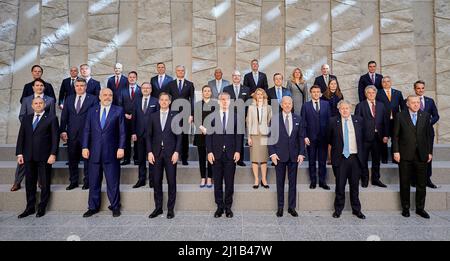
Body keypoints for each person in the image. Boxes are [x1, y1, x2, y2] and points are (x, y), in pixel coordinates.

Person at [82, 88, 126, 218]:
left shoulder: (118, 110)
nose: (108, 97)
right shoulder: (91, 111)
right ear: (100, 96)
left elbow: (122, 132)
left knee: (112, 182)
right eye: (105, 95)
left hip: (112, 152)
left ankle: (115, 206)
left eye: (110, 95)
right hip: (94, 152)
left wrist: (121, 147)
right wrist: (85, 147)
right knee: (94, 181)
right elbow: (86, 130)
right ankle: (93, 207)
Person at [16, 97, 59, 218]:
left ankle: (42, 207)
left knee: (45, 183)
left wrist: (53, 154)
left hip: (45, 157)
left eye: (40, 103)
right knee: (29, 183)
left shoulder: (51, 118)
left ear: (44, 105)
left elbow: (55, 138)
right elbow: (21, 137)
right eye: (36, 103)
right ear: (32, 106)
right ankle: (30, 207)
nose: (38, 105)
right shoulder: (26, 118)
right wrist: (19, 153)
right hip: (28, 156)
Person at [11, 79, 56, 192]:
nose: (39, 87)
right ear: (33, 87)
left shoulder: (50, 100)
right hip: (28, 133)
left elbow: (51, 117)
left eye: (41, 85)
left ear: (44, 87)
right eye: (37, 85)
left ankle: (41, 181)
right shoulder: (26, 99)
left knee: (41, 162)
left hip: (42, 136)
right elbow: (22, 115)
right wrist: (29, 128)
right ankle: (17, 181)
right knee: (24, 160)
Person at [393, 95, 433, 219]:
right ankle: (405, 208)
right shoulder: (400, 116)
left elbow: (428, 136)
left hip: (421, 154)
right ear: (407, 104)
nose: (416, 105)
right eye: (413, 102)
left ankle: (420, 208)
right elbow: (395, 136)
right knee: (404, 183)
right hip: (405, 154)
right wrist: (396, 151)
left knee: (421, 183)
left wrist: (429, 152)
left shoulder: (425, 116)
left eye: (417, 102)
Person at [328, 100, 366, 219]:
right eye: (342, 108)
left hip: (355, 158)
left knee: (354, 186)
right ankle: (338, 209)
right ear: (339, 110)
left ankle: (356, 210)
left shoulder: (359, 120)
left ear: (351, 109)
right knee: (340, 185)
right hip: (340, 158)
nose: (344, 110)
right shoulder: (333, 121)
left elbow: (363, 138)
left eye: (347, 108)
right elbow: (328, 139)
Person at [207, 92, 243, 218]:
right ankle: (219, 207)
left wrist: (238, 151)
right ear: (218, 101)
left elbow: (239, 136)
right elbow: (209, 136)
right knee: (217, 183)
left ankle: (228, 207)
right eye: (222, 99)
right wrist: (209, 152)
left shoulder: (236, 117)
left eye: (226, 99)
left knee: (229, 182)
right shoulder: (212, 117)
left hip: (230, 154)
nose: (224, 101)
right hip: (215, 154)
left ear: (230, 101)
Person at [269, 96, 305, 217]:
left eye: (290, 103)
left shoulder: (298, 118)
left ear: (292, 104)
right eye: (285, 103)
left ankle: (291, 207)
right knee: (280, 183)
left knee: (293, 183)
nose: (288, 105)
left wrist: (301, 153)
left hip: (294, 156)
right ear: (281, 105)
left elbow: (301, 137)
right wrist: (272, 153)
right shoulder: (274, 119)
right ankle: (280, 207)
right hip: (279, 156)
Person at [147, 92, 181, 219]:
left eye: (166, 100)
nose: (164, 102)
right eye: (162, 99)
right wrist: (149, 152)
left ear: (170, 102)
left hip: (171, 154)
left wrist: (177, 152)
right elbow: (148, 136)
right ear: (159, 101)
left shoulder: (175, 116)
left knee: (171, 182)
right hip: (155, 154)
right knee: (156, 182)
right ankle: (158, 208)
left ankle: (170, 209)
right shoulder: (153, 116)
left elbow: (179, 137)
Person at [60, 78, 98, 190]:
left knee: (87, 159)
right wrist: (63, 130)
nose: (80, 87)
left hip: (87, 135)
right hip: (72, 134)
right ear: (74, 87)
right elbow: (64, 116)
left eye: (82, 85)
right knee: (72, 159)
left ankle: (88, 181)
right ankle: (73, 181)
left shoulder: (93, 99)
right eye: (77, 86)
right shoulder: (69, 99)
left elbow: (95, 118)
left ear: (86, 87)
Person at [355, 86, 389, 188]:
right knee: (363, 160)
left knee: (376, 160)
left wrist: (386, 135)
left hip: (378, 137)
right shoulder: (360, 106)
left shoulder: (381, 105)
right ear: (366, 94)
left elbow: (385, 122)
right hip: (365, 138)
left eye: (373, 93)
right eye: (369, 93)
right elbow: (357, 123)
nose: (371, 94)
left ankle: (375, 179)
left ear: (375, 93)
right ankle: (364, 179)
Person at [301, 85, 331, 190]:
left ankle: (323, 181)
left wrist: (329, 136)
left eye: (318, 92)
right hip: (311, 138)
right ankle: (313, 181)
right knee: (312, 161)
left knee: (322, 161)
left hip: (323, 138)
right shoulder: (305, 106)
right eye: (314, 92)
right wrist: (304, 136)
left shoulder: (326, 104)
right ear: (310, 93)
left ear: (320, 93)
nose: (316, 93)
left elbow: (329, 122)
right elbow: (303, 122)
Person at [131, 82, 160, 188]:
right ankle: (141, 179)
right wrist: (133, 132)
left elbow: (158, 118)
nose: (146, 89)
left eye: (148, 88)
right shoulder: (136, 101)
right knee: (141, 158)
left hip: (152, 135)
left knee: (152, 157)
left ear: (151, 90)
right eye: (144, 88)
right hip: (139, 134)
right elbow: (134, 118)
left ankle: (153, 180)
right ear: (141, 89)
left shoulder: (156, 101)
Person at [412, 80, 439, 189]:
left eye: (422, 88)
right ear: (415, 89)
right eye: (418, 88)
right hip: (413, 134)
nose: (420, 90)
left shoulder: (430, 101)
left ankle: (427, 179)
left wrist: (427, 123)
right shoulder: (409, 101)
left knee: (428, 156)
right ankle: (414, 179)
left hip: (427, 134)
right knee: (414, 156)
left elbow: (436, 116)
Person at [167, 65, 195, 166]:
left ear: (184, 72)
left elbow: (192, 100)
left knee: (184, 136)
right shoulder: (170, 84)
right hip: (173, 114)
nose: (180, 72)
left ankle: (184, 158)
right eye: (178, 70)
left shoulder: (190, 84)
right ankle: (173, 156)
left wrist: (192, 114)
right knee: (172, 135)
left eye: (182, 70)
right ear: (176, 71)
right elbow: (167, 99)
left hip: (185, 114)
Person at [223, 70, 250, 167]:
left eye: (238, 76)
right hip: (229, 117)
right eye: (234, 76)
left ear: (240, 78)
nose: (236, 77)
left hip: (242, 118)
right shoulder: (226, 88)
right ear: (232, 77)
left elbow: (248, 104)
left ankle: (240, 159)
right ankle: (230, 156)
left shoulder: (246, 89)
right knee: (230, 137)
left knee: (240, 138)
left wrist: (247, 116)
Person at [247, 88, 272, 189]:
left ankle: (264, 179)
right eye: (258, 94)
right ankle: (257, 179)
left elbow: (271, 121)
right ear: (255, 96)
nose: (260, 96)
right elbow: (249, 123)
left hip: (264, 135)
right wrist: (248, 137)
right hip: (254, 135)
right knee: (254, 158)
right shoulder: (251, 108)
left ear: (264, 95)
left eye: (261, 94)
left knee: (264, 159)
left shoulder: (269, 107)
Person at [376, 76, 405, 163]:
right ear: (381, 83)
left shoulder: (398, 93)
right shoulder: (378, 93)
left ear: (391, 82)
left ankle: (394, 159)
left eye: (388, 81)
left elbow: (403, 107)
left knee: (395, 139)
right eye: (384, 82)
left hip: (395, 120)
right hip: (383, 121)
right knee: (383, 140)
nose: (386, 83)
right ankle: (384, 159)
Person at [193, 85, 216, 188]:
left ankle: (210, 178)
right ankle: (203, 178)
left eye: (208, 91)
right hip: (200, 134)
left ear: (211, 93)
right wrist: (202, 128)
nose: (207, 92)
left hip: (212, 135)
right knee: (202, 157)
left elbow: (217, 119)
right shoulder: (197, 105)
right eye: (205, 91)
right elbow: (196, 119)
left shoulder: (215, 104)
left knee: (211, 156)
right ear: (202, 93)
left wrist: (210, 130)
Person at [118, 71, 141, 165]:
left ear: (136, 78)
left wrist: (135, 115)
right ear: (128, 78)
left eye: (133, 77)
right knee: (126, 139)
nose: (132, 78)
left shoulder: (141, 90)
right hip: (126, 118)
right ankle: (126, 159)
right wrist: (125, 114)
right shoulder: (122, 91)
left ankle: (136, 158)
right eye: (130, 77)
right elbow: (119, 105)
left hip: (138, 118)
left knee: (137, 139)